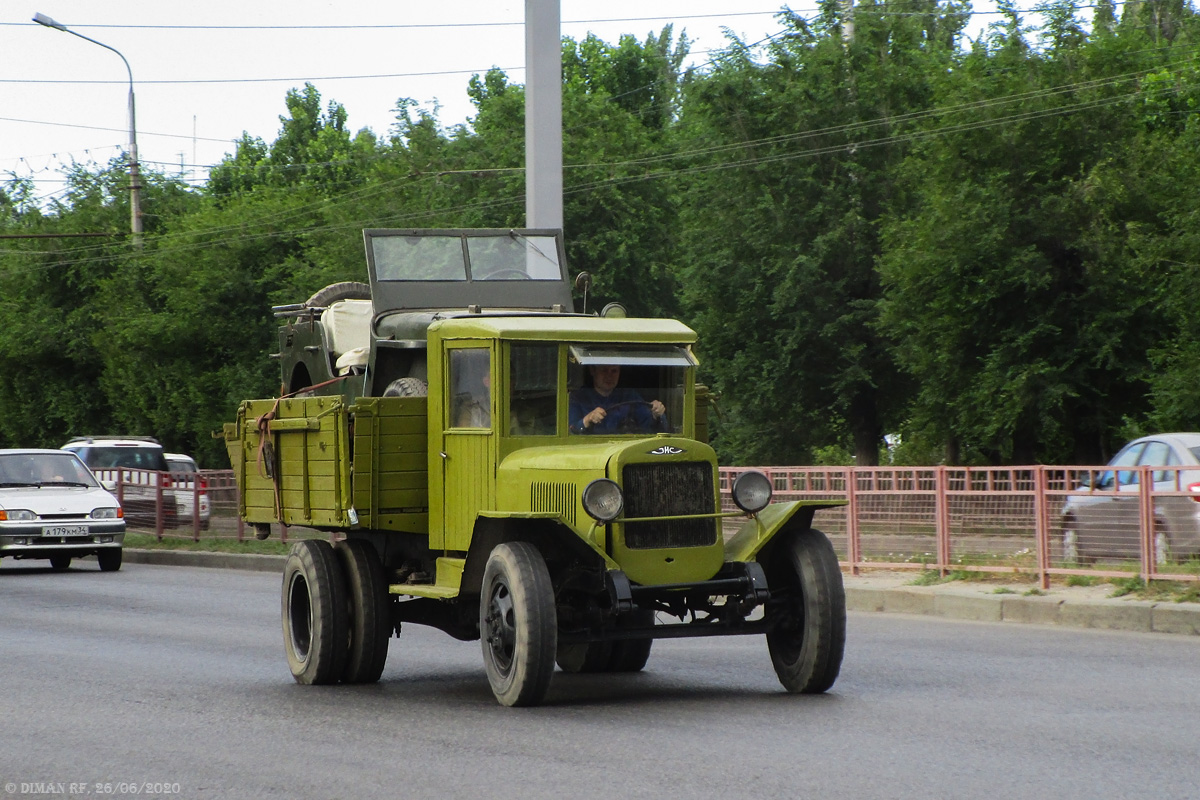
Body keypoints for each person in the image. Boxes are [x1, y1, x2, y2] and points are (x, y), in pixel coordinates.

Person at [569, 364, 666, 434]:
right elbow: (570, 432)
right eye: (604, 370)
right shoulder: (577, 398)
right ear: (592, 371)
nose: (609, 376)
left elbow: (649, 427)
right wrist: (587, 419)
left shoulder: (629, 396)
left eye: (614, 371)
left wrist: (655, 414)